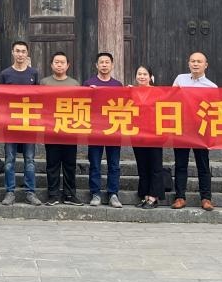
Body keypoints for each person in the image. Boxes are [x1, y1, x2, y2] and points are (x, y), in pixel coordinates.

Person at [0, 40, 42, 206]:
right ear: (12, 52)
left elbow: (39, 96)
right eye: (17, 51)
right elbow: (0, 98)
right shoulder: (5, 74)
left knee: (29, 159)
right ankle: (10, 192)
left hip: (29, 123)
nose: (20, 54)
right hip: (10, 123)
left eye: (23, 51)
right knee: (9, 160)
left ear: (27, 53)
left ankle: (30, 192)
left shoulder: (34, 73)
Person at [171, 51, 215, 211]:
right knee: (180, 164)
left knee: (203, 165)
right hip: (181, 128)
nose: (195, 64)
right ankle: (180, 197)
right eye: (193, 61)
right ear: (188, 63)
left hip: (201, 130)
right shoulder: (180, 79)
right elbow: (170, 100)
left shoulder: (211, 87)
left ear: (206, 65)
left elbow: (214, 112)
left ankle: (206, 198)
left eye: (199, 61)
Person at [40, 51, 83, 206]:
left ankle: (70, 194)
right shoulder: (44, 83)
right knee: (52, 164)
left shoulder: (75, 84)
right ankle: (53, 195)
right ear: (51, 65)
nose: (59, 65)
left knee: (70, 164)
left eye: (62, 62)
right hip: (51, 129)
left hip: (70, 130)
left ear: (68, 65)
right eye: (56, 62)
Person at [84, 52, 124, 208]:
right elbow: (82, 105)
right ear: (96, 65)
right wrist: (89, 93)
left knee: (114, 164)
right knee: (95, 163)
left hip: (113, 129)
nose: (104, 65)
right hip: (95, 129)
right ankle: (95, 193)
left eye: (107, 62)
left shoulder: (118, 85)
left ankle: (113, 193)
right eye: (101, 62)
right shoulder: (89, 83)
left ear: (112, 65)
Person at [131, 65, 163, 209]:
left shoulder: (158, 92)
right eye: (139, 74)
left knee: (155, 165)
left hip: (155, 133)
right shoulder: (131, 92)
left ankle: (153, 197)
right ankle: (145, 195)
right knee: (142, 166)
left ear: (150, 77)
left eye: (145, 74)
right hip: (137, 133)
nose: (142, 77)